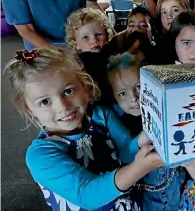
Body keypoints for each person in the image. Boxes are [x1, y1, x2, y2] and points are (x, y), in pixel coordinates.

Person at [3, 47, 163, 211]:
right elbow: (87, 194)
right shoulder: (41, 155)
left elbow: (127, 152)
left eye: (68, 91)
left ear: (86, 88)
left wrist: (152, 132)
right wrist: (142, 166)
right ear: (29, 109)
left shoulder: (101, 116)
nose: (62, 106)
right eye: (45, 102)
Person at [107, 52, 142, 136]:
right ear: (114, 97)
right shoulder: (116, 124)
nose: (133, 98)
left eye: (139, 87)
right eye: (122, 93)